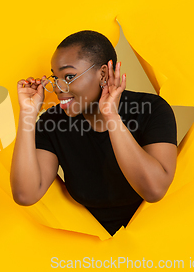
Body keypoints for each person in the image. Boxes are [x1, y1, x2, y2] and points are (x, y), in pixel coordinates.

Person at [10, 30, 178, 236]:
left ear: (103, 74)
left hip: (157, 235)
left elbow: (154, 190)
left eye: (69, 76)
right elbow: (25, 194)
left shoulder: (151, 109)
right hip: (86, 244)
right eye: (55, 77)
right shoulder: (51, 123)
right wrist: (27, 115)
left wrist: (111, 116)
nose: (58, 88)